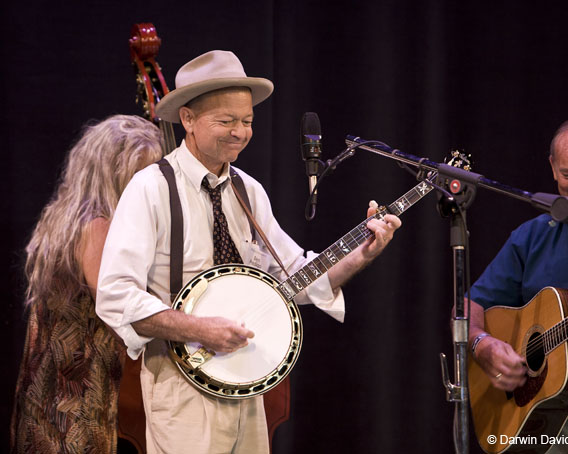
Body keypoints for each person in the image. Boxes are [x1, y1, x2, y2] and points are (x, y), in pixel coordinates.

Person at [95, 50, 401, 454]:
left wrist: (362, 254)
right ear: (187, 119)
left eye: (247, 121)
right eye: (226, 121)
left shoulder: (248, 190)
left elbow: (299, 274)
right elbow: (115, 294)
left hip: (247, 382)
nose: (240, 132)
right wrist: (199, 330)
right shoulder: (151, 188)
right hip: (181, 383)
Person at [10, 115, 163, 454]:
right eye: (139, 174)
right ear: (112, 172)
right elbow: (118, 308)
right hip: (74, 404)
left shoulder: (61, 218)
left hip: (47, 394)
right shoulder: (98, 227)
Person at [467, 114, 568, 453]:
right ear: (553, 168)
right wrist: (482, 345)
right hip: (543, 426)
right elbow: (469, 306)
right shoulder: (532, 235)